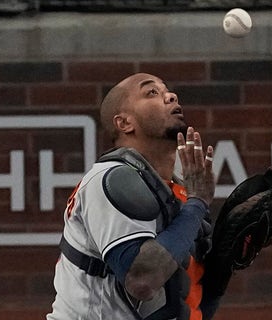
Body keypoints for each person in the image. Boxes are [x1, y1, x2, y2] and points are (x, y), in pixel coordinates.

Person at [46, 73, 219, 320]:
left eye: (168, 91)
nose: (170, 96)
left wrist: (230, 260)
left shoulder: (179, 190)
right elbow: (143, 281)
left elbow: (185, 301)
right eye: (152, 93)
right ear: (124, 123)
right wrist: (198, 203)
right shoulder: (110, 179)